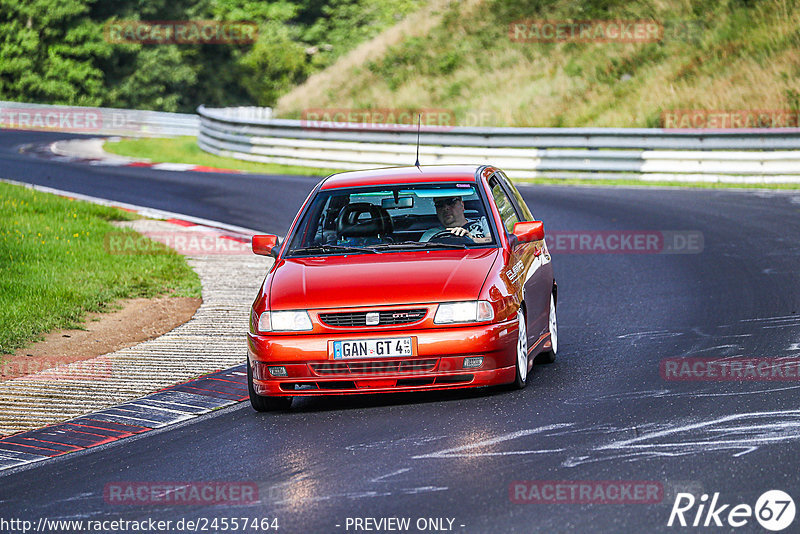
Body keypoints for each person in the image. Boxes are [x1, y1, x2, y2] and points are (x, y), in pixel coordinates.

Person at [420, 196, 491, 243]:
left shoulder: (483, 222)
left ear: (462, 204)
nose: (445, 208)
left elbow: (494, 240)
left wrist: (472, 239)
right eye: (439, 205)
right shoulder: (430, 235)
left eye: (450, 202)